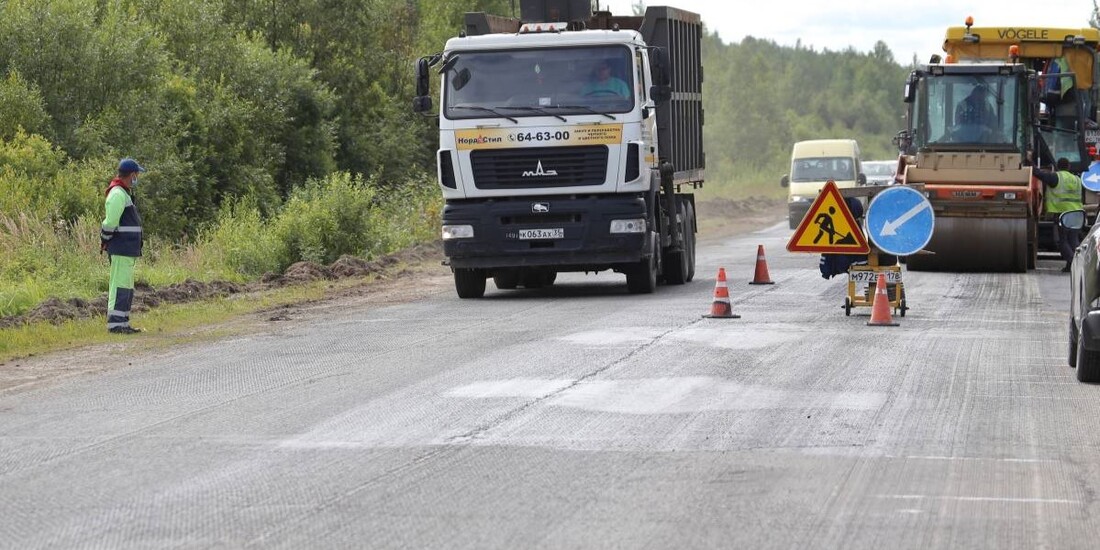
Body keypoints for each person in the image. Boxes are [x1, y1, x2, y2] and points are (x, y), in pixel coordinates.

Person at [100, 158, 146, 333]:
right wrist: (105, 239)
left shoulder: (123, 193)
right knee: (119, 286)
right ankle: (116, 325)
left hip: (126, 249)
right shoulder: (118, 194)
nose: (138, 177)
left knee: (125, 286)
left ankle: (123, 323)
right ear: (132, 175)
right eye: (137, 174)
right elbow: (110, 222)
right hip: (121, 248)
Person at [1034, 157, 1083, 272]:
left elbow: (1039, 174)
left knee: (1062, 242)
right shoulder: (1077, 179)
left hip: (1063, 214)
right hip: (1077, 214)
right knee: (1074, 241)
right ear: (1069, 166)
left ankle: (1074, 263)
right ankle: (1072, 265)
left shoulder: (1056, 177)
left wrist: (1030, 163)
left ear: (1057, 166)